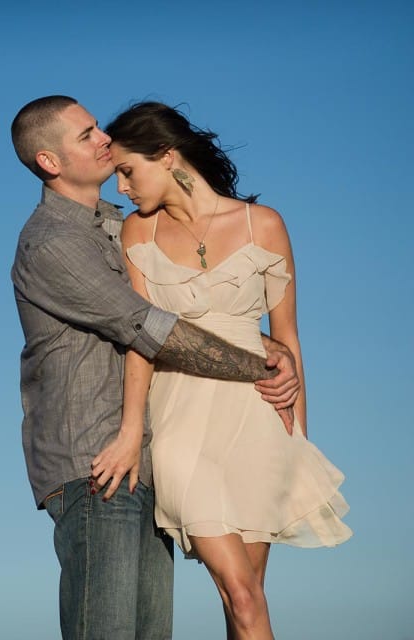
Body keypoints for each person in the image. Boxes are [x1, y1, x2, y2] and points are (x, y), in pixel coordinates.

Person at [10, 95, 301, 640]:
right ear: (49, 162)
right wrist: (261, 364)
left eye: (99, 128)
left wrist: (261, 340)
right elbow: (147, 326)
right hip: (94, 460)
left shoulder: (119, 226)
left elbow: (188, 309)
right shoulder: (52, 243)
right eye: (87, 134)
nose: (103, 139)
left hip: (143, 454)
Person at [105, 101, 352, 639]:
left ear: (167, 156)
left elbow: (287, 339)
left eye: (127, 170)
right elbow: (141, 342)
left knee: (246, 597)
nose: (121, 187)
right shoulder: (137, 235)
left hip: (258, 419)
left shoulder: (262, 224)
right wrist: (130, 429)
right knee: (241, 592)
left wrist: (299, 437)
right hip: (179, 424)